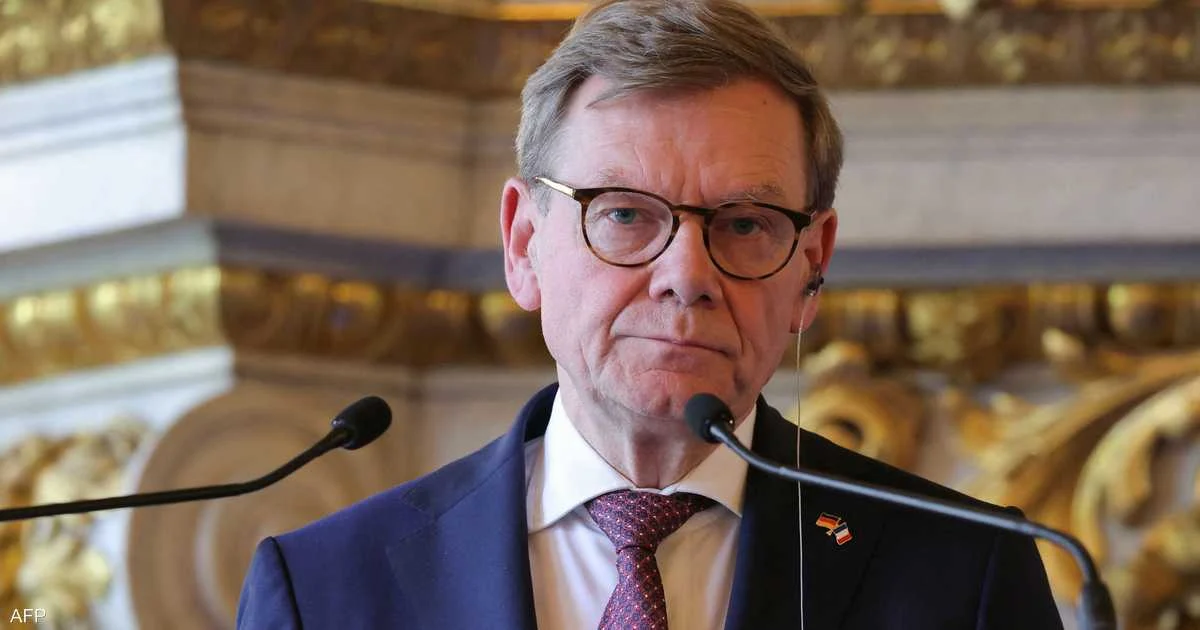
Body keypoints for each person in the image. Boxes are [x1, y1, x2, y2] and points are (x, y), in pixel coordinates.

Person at [236, 1, 1064, 628]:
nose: (686, 277)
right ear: (524, 244)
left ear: (812, 267)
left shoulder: (965, 572)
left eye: (745, 224)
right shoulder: (326, 589)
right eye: (626, 214)